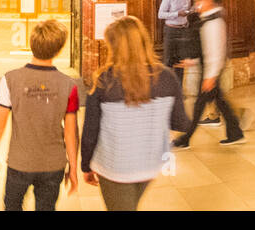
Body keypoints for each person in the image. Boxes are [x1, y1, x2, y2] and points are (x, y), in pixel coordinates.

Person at [80, 16, 188, 211]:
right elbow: (180, 123)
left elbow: (90, 131)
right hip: (150, 163)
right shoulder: (167, 77)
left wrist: (86, 165)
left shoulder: (104, 80)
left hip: (115, 166)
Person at [0, 19, 80, 211]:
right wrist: (73, 168)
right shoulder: (69, 85)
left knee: (12, 206)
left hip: (19, 162)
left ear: (31, 44)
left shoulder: (10, 79)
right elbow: (71, 132)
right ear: (59, 49)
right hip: (53, 164)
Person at [172, 0, 246, 149]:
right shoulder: (207, 19)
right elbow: (203, 46)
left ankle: (186, 138)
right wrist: (192, 60)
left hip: (210, 71)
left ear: (210, 2)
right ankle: (235, 133)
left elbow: (216, 51)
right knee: (220, 102)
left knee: (200, 104)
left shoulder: (214, 22)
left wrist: (210, 77)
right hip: (208, 69)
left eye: (200, 0)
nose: (197, 3)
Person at [157, 0, 194, 84]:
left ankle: (179, 90)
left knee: (181, 62)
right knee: (168, 61)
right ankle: (166, 90)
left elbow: (187, 10)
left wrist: (190, 12)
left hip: (183, 30)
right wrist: (177, 13)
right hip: (171, 31)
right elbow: (160, 14)